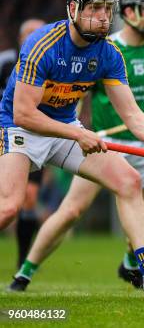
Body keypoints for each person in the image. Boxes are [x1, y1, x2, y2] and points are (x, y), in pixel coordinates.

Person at [1, 0, 144, 297]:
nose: (104, 17)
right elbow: (24, 114)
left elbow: (132, 115)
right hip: (21, 128)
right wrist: (78, 135)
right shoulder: (42, 44)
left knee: (128, 181)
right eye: (95, 9)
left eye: (107, 9)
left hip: (66, 128)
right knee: (9, 208)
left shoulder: (108, 54)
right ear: (73, 9)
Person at [1, 18, 46, 269]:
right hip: (6, 131)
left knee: (29, 198)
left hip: (37, 136)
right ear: (20, 39)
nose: (34, 38)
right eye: (29, 34)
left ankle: (22, 261)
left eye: (39, 33)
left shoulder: (48, 62)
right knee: (9, 203)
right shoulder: (6, 62)